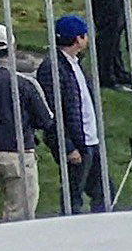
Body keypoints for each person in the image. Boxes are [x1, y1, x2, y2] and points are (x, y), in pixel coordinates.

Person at [0, 24, 52, 218]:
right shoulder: (25, 83)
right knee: (20, 213)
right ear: (12, 48)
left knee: (11, 204)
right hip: (18, 155)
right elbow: (45, 120)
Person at [40, 14, 107, 209]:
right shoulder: (52, 68)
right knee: (73, 194)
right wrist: (68, 146)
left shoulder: (74, 63)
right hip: (77, 143)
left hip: (90, 140)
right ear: (78, 39)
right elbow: (51, 112)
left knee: (103, 191)